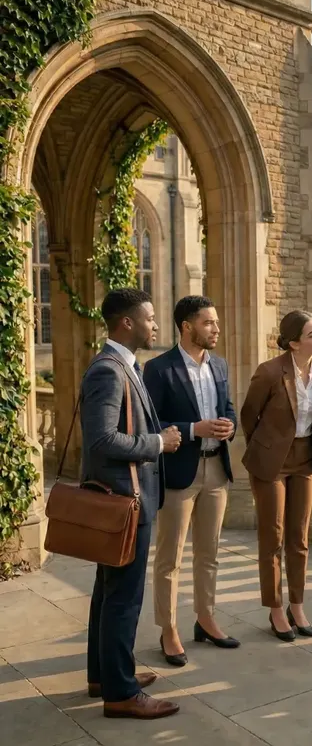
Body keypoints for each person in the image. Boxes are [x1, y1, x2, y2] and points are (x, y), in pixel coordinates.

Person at [82, 288, 181, 719]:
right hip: (125, 502)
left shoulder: (124, 365)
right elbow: (103, 439)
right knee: (123, 598)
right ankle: (120, 693)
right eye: (150, 318)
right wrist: (159, 442)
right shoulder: (109, 370)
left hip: (128, 499)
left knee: (108, 594)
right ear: (127, 323)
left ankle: (104, 675)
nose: (155, 325)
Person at [143, 296, 239, 667]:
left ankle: (206, 618)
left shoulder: (219, 365)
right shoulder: (159, 369)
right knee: (170, 558)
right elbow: (152, 424)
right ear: (187, 326)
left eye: (215, 322)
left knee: (209, 553)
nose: (216, 329)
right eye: (209, 323)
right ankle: (168, 629)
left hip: (216, 469)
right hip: (178, 474)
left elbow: (227, 408)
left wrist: (228, 425)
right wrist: (192, 429)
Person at [241, 310, 312, 641]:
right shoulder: (269, 372)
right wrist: (267, 449)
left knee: (300, 537)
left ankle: (297, 603)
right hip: (272, 462)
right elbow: (249, 415)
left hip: (305, 459)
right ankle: (275, 607)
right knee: (273, 536)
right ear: (294, 343)